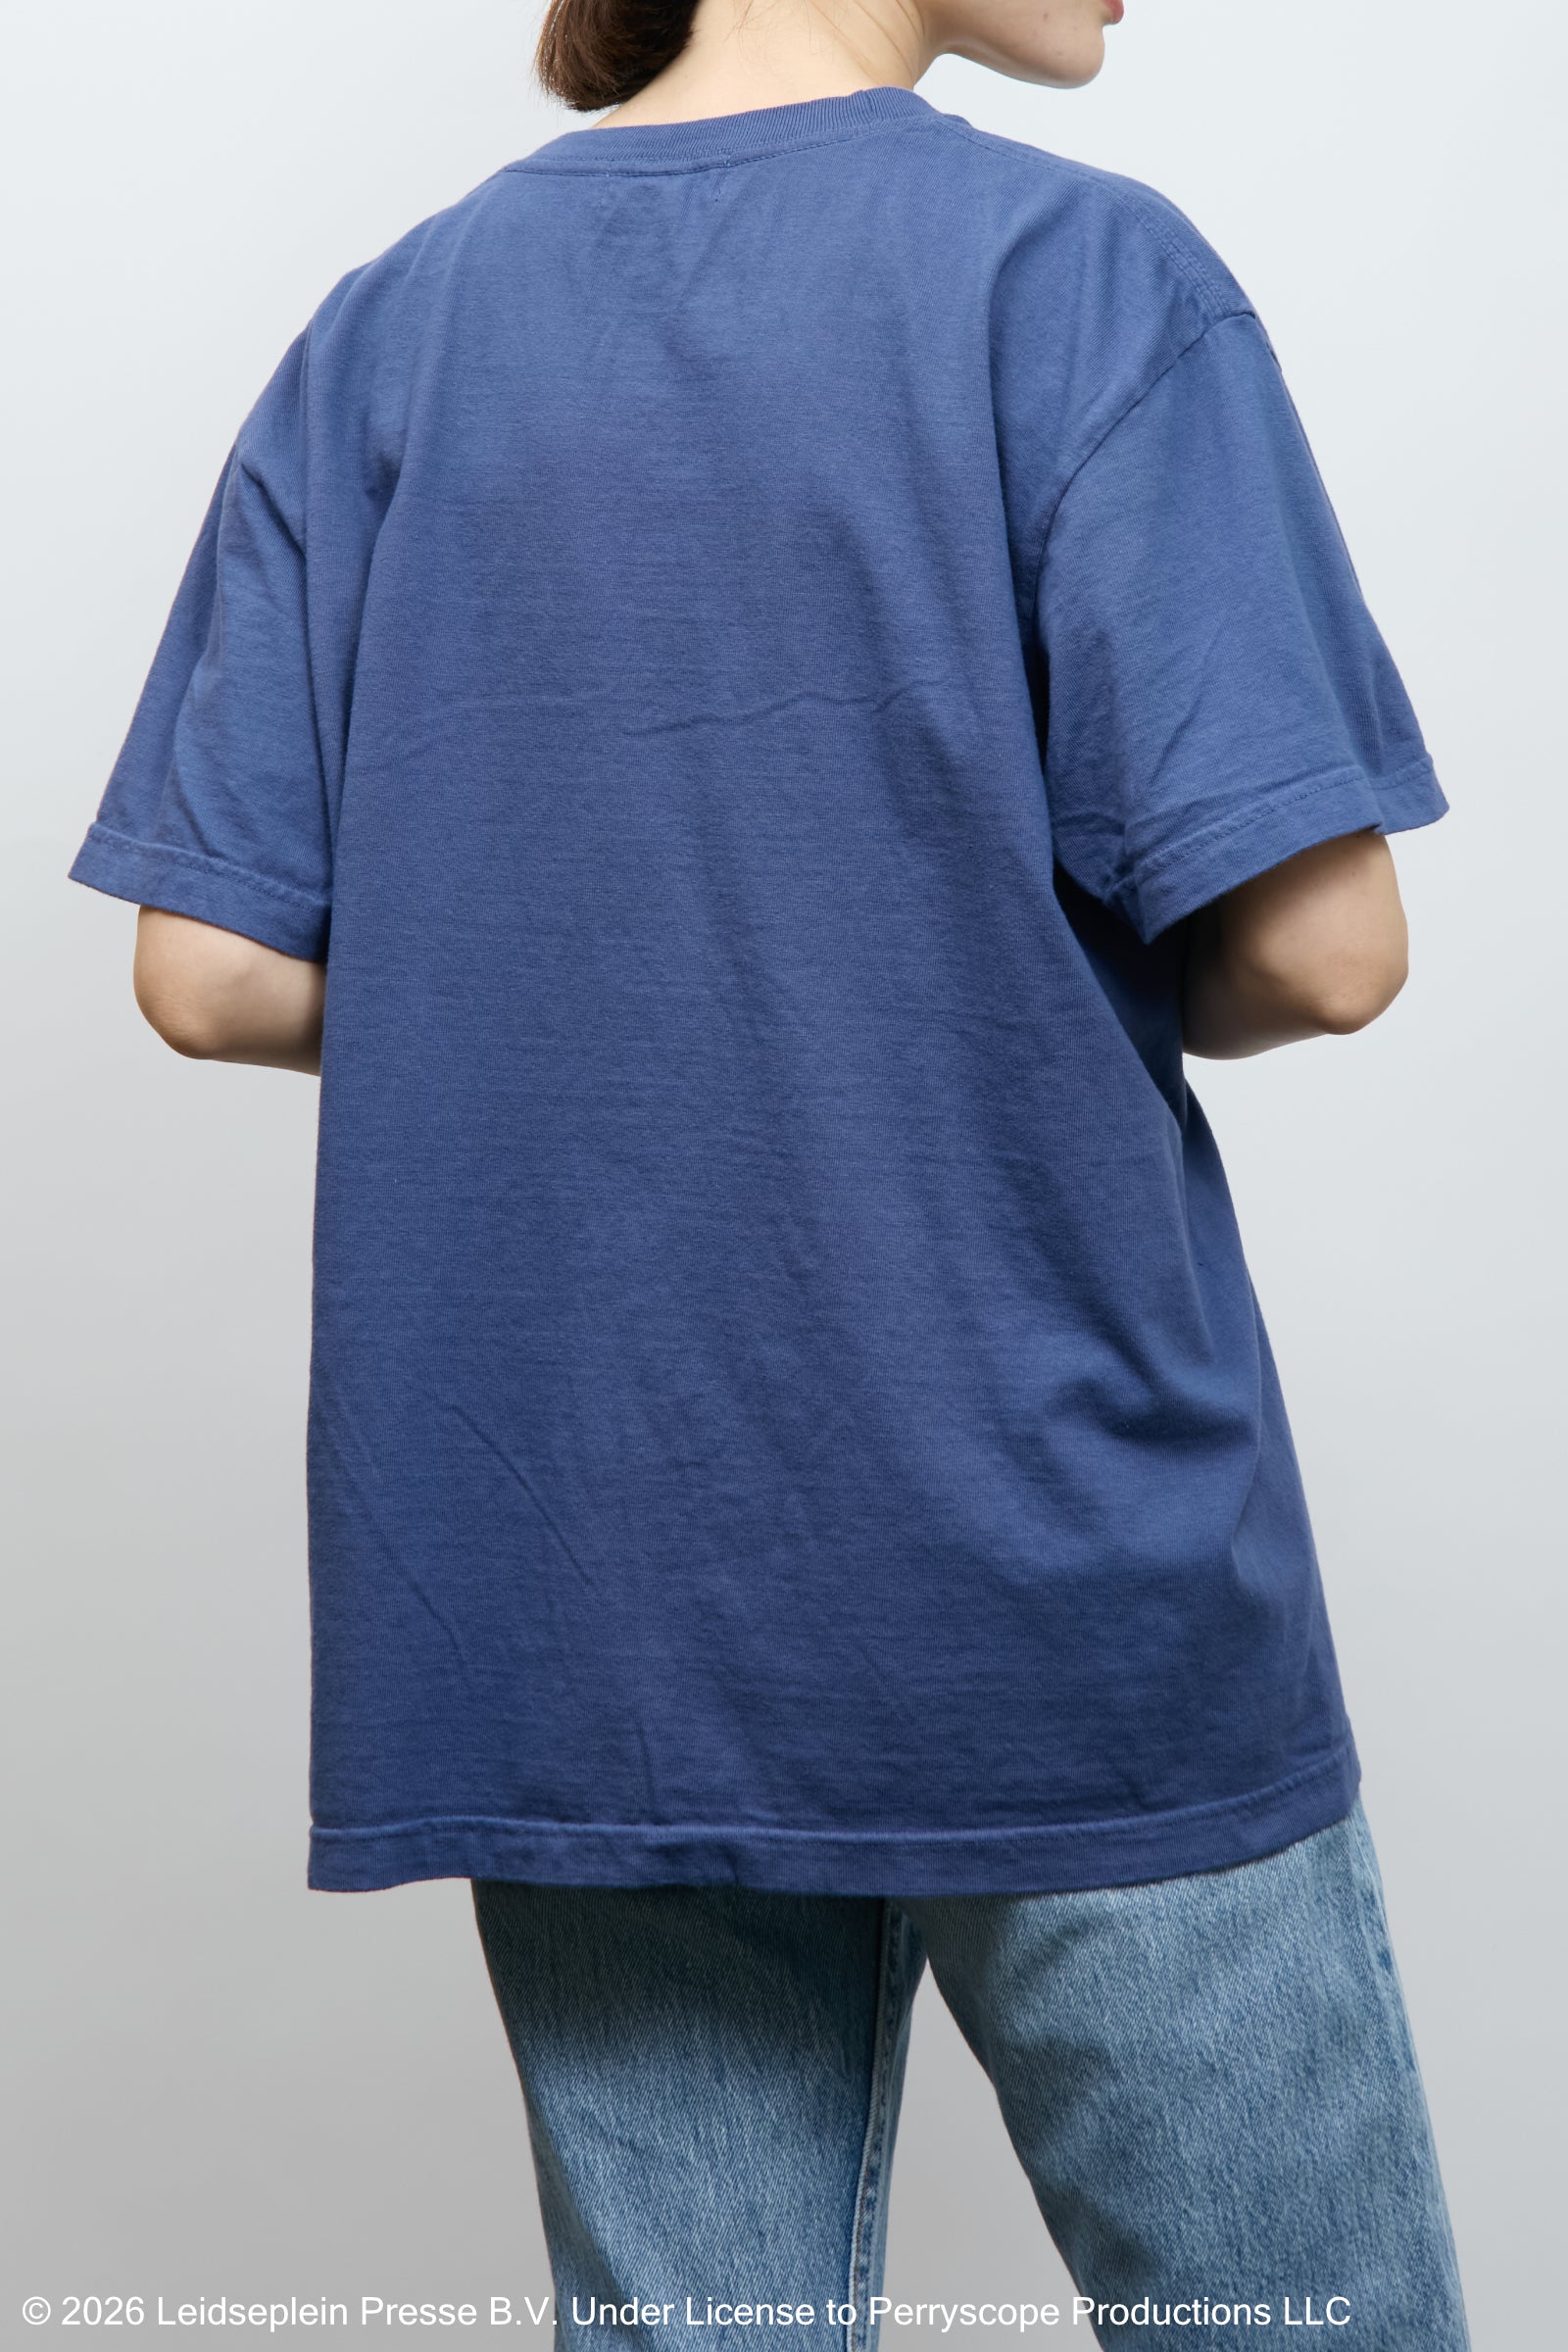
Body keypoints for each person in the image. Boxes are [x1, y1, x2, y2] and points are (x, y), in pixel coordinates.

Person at [68, 0, 1472, 2342]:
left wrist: (575, 983)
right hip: (1059, 1578)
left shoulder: (396, 325)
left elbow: (207, 974)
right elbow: (1321, 955)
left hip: (579, 1594)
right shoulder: (1076, 278)